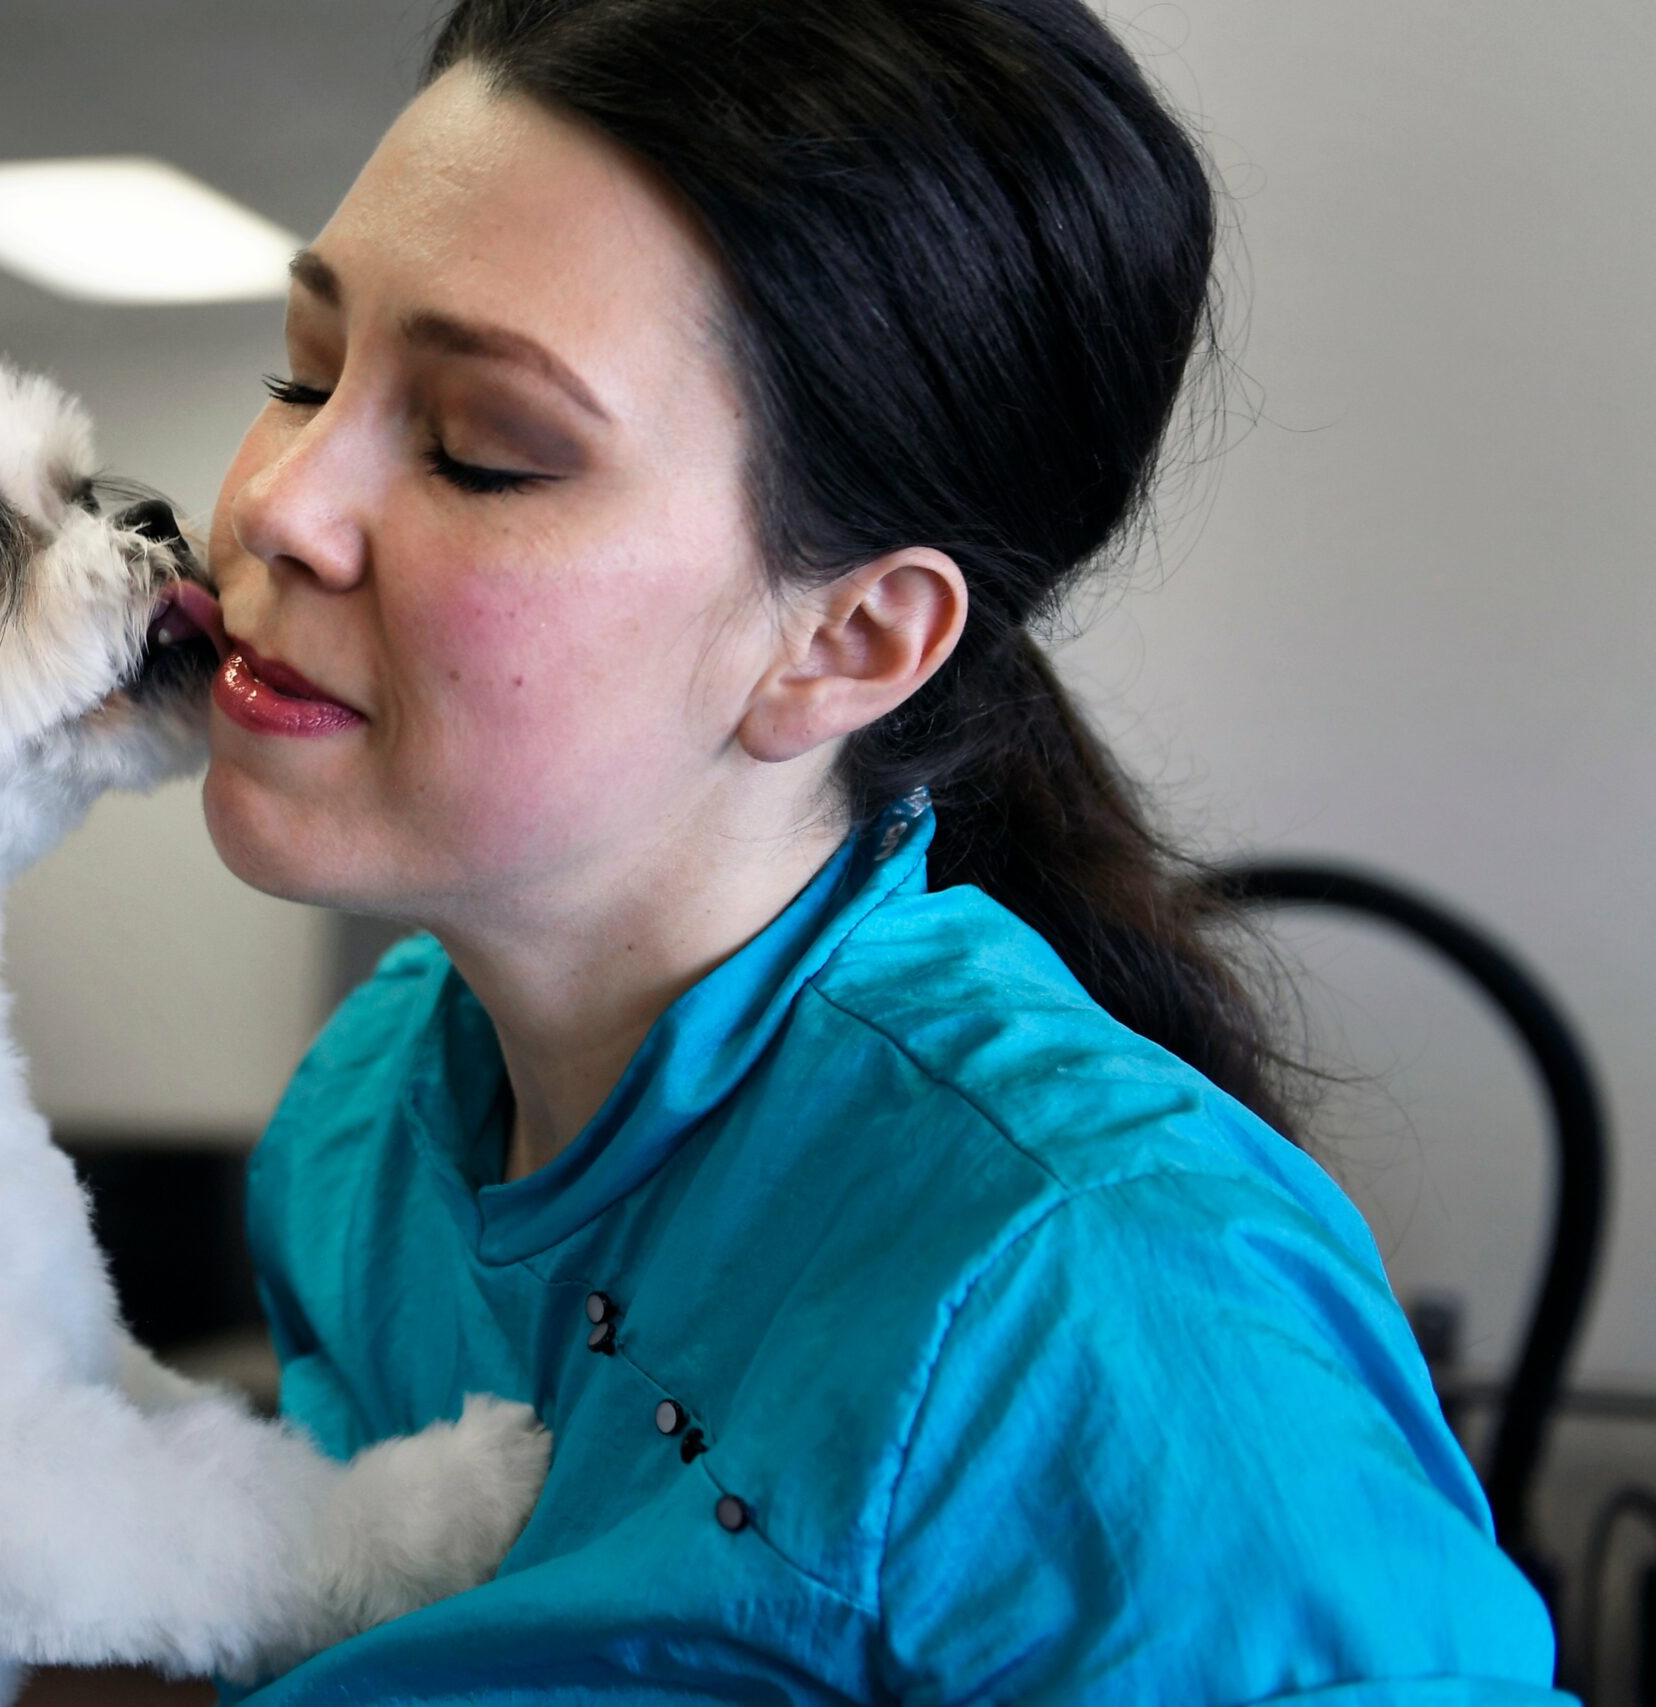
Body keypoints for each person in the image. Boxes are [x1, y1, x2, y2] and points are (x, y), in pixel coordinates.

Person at [192, 0, 1568, 1701]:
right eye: (304, 372)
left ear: (843, 644)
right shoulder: (369, 1109)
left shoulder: (1098, 1285)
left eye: (481, 451)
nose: (275, 503)